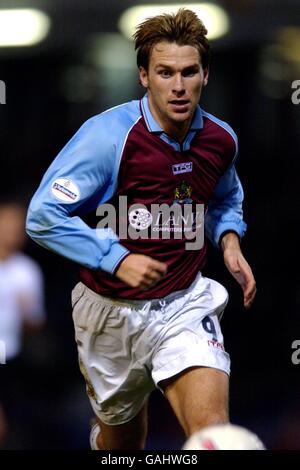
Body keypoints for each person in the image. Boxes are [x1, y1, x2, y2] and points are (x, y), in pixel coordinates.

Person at [26, 9, 256, 450]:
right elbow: (42, 215)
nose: (178, 86)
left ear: (205, 75)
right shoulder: (108, 138)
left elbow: (225, 196)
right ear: (143, 77)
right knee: (124, 443)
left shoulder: (220, 139)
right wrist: (117, 258)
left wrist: (228, 240)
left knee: (216, 436)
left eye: (189, 72)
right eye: (164, 72)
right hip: (109, 313)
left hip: (184, 301)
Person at [0, 201, 46, 446]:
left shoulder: (27, 270)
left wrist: (27, 311)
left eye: (17, 228)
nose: (12, 233)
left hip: (11, 357)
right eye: (6, 225)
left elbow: (35, 324)